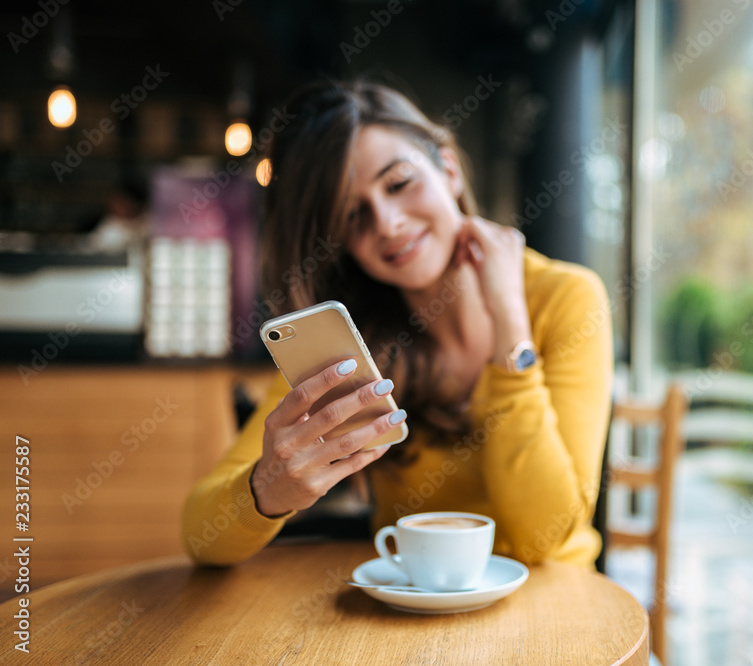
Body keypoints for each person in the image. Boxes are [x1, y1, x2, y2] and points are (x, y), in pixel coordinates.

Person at [181, 79, 613, 568]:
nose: (386, 224)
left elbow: (546, 540)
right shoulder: (357, 342)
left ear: (447, 169)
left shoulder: (564, 297)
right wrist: (267, 489)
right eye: (352, 214)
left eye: (399, 183)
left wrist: (510, 319)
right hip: (413, 616)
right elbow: (200, 534)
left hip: (559, 611)